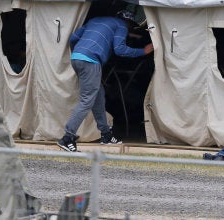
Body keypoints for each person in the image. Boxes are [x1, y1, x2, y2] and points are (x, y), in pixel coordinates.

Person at [57, 10, 154, 152]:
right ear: (129, 22)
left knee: (98, 97)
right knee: (86, 101)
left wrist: (78, 53)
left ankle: (106, 135)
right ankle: (67, 138)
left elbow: (73, 38)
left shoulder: (96, 20)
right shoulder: (122, 25)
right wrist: (143, 51)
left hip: (77, 58)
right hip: (90, 61)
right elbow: (120, 49)